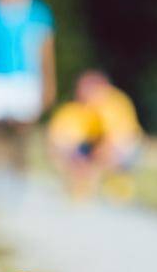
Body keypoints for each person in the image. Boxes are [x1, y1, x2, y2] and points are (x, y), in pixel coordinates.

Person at [0, 0, 55, 172]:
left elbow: (46, 52)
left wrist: (49, 83)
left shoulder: (40, 12)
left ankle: (20, 170)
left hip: (26, 77)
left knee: (23, 127)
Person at [46, 70, 143, 199]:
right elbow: (57, 138)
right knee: (68, 150)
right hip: (92, 146)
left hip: (122, 148)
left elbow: (112, 141)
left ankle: (113, 182)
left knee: (109, 150)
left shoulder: (114, 104)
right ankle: (83, 185)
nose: (80, 92)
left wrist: (90, 167)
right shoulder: (76, 108)